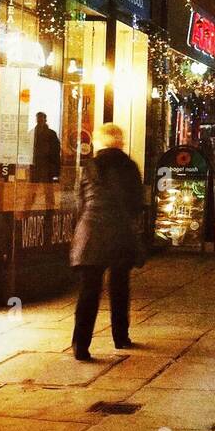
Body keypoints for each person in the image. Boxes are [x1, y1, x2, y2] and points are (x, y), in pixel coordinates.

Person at [69, 123, 145, 362]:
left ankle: (81, 345)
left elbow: (79, 201)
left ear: (100, 142)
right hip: (119, 232)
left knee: (88, 291)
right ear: (120, 142)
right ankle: (120, 336)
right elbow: (136, 203)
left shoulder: (89, 166)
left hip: (91, 231)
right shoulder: (129, 166)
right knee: (120, 286)